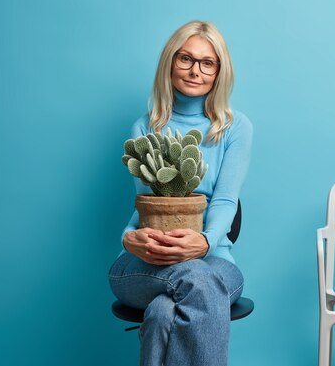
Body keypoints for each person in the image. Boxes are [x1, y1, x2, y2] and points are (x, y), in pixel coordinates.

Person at [108, 20, 253, 366]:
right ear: (170, 62)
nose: (195, 71)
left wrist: (204, 242)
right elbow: (149, 207)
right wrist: (130, 238)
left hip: (217, 263)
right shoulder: (145, 127)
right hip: (147, 262)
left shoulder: (236, 128)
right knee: (196, 280)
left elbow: (224, 201)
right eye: (185, 59)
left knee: (163, 311)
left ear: (219, 72)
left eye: (207, 62)